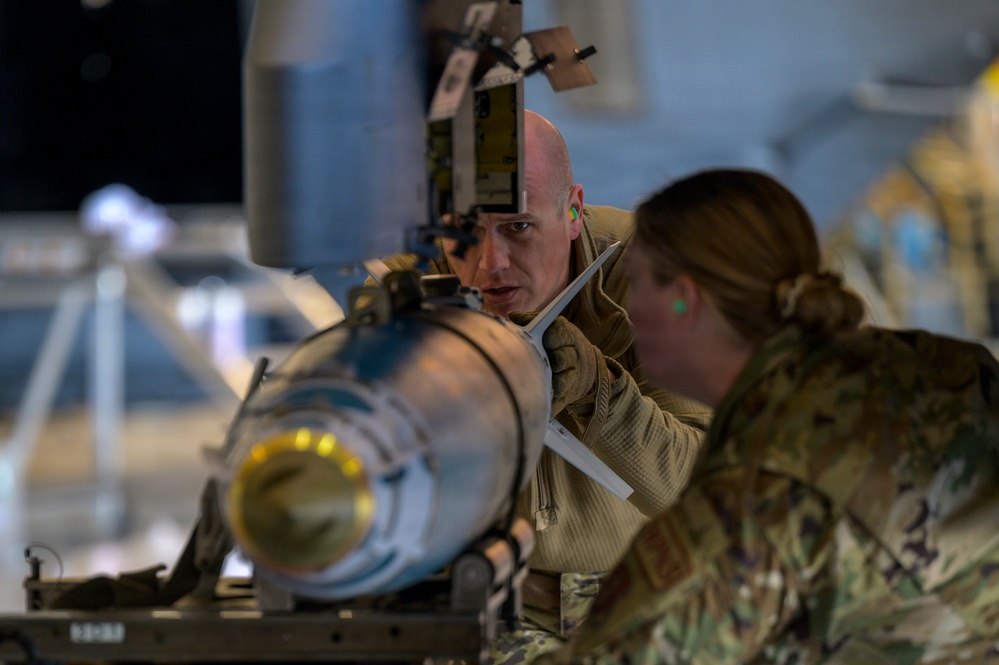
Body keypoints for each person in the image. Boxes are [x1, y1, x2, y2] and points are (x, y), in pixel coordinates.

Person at [535, 168, 999, 664]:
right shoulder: (951, 367)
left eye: (639, 280)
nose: (629, 304)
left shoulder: (749, 495)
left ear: (682, 301)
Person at [378, 110, 711, 661]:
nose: (491, 263)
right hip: (485, 605)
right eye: (465, 233)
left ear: (574, 211)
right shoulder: (407, 285)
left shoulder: (657, 274)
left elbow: (703, 492)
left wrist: (602, 392)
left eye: (518, 227)